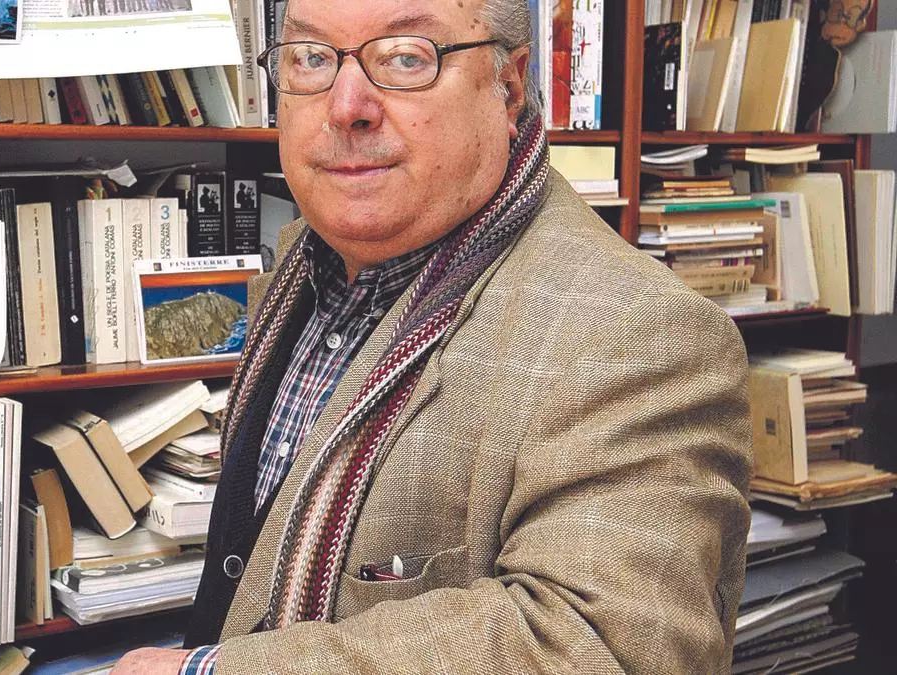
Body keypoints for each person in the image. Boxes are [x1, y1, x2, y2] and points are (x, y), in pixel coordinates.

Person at [112, 0, 752, 672]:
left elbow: (602, 646)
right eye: (312, 58)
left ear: (509, 87)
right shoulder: (305, 258)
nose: (345, 107)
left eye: (405, 58)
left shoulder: (640, 334)